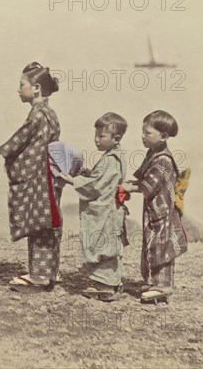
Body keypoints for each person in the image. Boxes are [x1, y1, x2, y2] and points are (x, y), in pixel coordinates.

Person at [0, 62, 62, 292]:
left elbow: (19, 140)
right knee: (47, 224)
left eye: (22, 85)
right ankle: (48, 273)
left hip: (39, 177)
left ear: (36, 88)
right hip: (49, 175)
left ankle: (39, 276)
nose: (19, 89)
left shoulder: (38, 115)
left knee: (39, 224)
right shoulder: (50, 114)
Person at [59, 113, 129, 301]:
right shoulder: (113, 156)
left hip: (105, 211)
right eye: (96, 134)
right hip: (107, 208)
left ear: (116, 139)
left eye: (102, 136)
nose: (97, 139)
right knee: (105, 243)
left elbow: (97, 185)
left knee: (103, 244)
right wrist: (89, 173)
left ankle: (105, 285)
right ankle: (106, 283)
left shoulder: (112, 159)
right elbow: (102, 179)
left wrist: (73, 180)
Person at [122, 110, 188, 303]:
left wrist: (129, 187)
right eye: (142, 131)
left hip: (163, 211)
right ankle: (154, 281)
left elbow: (148, 185)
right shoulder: (153, 153)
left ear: (164, 136)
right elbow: (141, 176)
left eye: (148, 133)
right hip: (153, 210)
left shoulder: (164, 159)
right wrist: (127, 183)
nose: (143, 136)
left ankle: (163, 285)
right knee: (151, 243)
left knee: (162, 246)